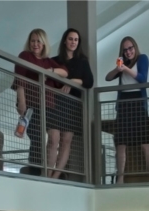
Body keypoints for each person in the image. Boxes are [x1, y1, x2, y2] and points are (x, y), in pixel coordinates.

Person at [15, 29, 69, 176]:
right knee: (37, 138)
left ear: (44, 43)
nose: (36, 44)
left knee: (53, 138)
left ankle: (48, 175)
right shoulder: (25, 56)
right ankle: (36, 172)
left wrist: (50, 70)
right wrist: (22, 102)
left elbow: (64, 71)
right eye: (33, 41)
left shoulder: (47, 61)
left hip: (49, 104)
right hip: (32, 103)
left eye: (39, 41)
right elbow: (20, 80)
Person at [105, 36, 149, 183]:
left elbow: (142, 78)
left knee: (144, 141)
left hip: (138, 101)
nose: (128, 52)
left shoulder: (142, 59)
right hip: (124, 103)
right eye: (125, 49)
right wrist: (117, 69)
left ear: (135, 47)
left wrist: (126, 69)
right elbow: (108, 78)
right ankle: (120, 178)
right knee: (121, 142)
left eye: (130, 48)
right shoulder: (123, 64)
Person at [50, 27, 94, 180]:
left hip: (73, 104)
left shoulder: (82, 61)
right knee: (53, 138)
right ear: (64, 41)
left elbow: (89, 82)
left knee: (66, 140)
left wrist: (74, 81)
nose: (73, 42)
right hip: (56, 101)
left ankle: (56, 175)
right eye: (70, 39)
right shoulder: (55, 60)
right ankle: (48, 173)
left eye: (76, 40)